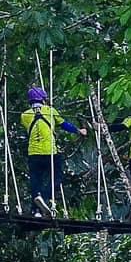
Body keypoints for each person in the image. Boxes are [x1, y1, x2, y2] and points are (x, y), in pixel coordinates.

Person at [19, 86, 82, 216]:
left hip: (33, 153)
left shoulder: (24, 115)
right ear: (43, 99)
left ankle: (36, 209)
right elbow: (64, 125)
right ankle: (45, 196)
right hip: (50, 152)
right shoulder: (50, 111)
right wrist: (79, 131)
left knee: (36, 180)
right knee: (57, 179)